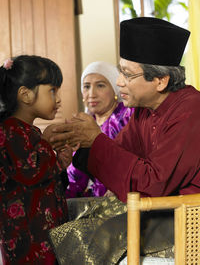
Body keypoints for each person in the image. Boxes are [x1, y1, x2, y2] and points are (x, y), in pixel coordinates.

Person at [45, 17, 200, 265]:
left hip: (187, 218)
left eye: (127, 75)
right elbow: (116, 151)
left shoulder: (191, 110)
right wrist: (79, 143)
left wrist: (95, 141)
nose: (119, 83)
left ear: (160, 81)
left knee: (81, 236)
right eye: (120, 72)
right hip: (156, 210)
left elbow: (153, 183)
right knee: (69, 216)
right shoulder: (145, 108)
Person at [0, 55, 71, 264]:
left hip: (43, 233)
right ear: (26, 94)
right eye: (52, 91)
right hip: (27, 239)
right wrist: (47, 142)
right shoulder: (9, 131)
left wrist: (61, 163)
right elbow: (30, 171)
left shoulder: (28, 132)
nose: (58, 99)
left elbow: (44, 177)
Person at [66, 61, 134, 198]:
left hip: (125, 199)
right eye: (86, 86)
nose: (92, 94)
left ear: (115, 89)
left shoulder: (129, 116)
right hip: (93, 201)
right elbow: (75, 178)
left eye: (100, 85)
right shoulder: (82, 125)